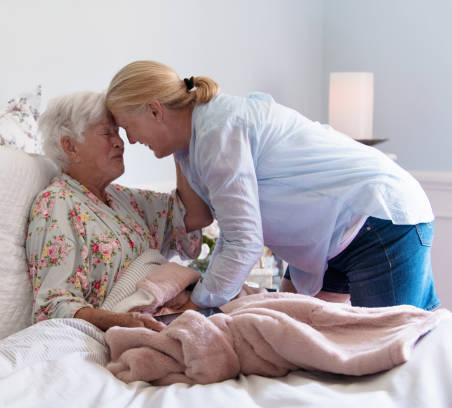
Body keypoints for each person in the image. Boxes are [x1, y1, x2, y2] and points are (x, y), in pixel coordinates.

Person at [105, 60, 440, 311]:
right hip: (334, 236)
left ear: (154, 110)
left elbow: (243, 241)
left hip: (375, 219)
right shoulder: (192, 144)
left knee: (388, 349)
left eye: (127, 127)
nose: (130, 140)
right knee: (295, 333)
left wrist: (199, 304)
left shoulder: (219, 132)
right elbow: (202, 217)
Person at [26, 91, 211, 332]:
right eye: (107, 133)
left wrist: (178, 142)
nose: (120, 142)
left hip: (181, 310)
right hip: (141, 325)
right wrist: (126, 322)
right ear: (70, 147)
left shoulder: (124, 198)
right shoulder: (57, 203)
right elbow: (53, 306)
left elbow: (192, 216)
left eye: (119, 132)